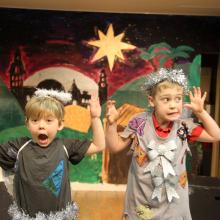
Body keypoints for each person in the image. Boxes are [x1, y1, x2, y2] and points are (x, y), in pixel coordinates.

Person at [105, 68, 220, 220]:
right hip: (142, 205)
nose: (173, 105)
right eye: (166, 99)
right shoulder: (139, 122)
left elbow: (215, 135)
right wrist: (111, 124)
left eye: (178, 99)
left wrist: (201, 112)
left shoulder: (184, 127)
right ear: (152, 101)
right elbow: (115, 147)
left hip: (174, 208)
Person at [0, 88, 105, 220]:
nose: (41, 126)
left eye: (48, 121)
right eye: (35, 120)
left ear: (60, 124)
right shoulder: (19, 147)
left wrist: (95, 118)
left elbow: (98, 145)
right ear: (27, 124)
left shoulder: (65, 146)